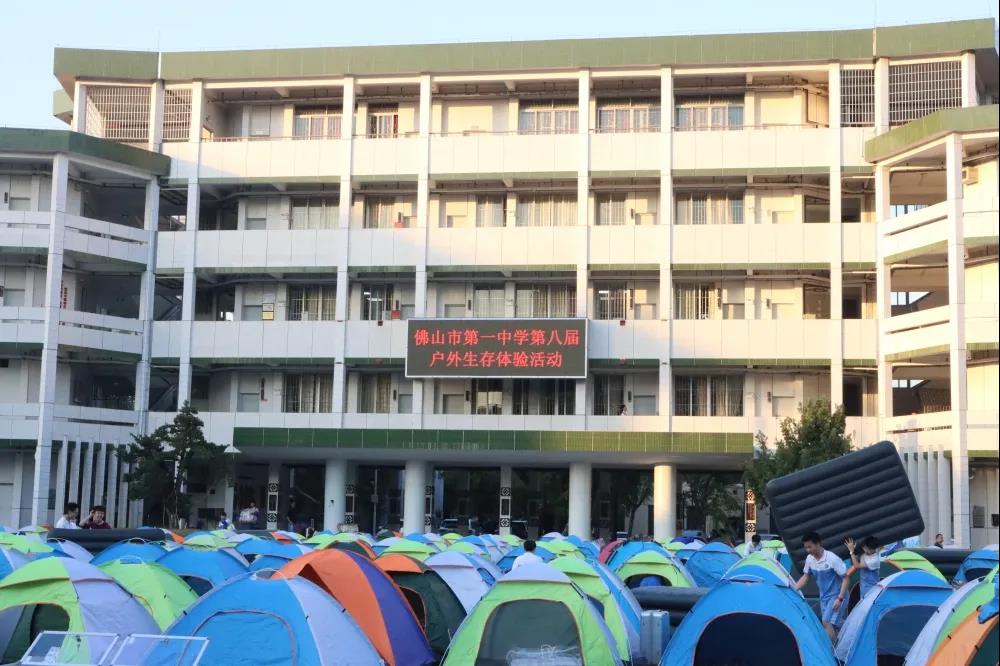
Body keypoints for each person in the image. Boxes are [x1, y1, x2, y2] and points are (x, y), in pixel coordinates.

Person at [795, 531, 847, 642]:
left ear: (818, 543)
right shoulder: (809, 559)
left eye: (810, 546)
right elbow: (805, 577)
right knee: (832, 625)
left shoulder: (832, 559)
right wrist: (793, 589)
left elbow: (846, 578)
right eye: (806, 548)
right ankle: (844, 639)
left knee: (826, 621)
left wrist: (840, 599)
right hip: (824, 597)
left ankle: (832, 652)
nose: (808, 550)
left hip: (837, 595)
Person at [838, 536, 881, 605]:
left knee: (869, 606)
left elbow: (857, 566)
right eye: (864, 548)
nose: (865, 550)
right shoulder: (867, 553)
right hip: (864, 588)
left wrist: (851, 551)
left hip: (871, 590)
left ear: (873, 549)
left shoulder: (874, 560)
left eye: (867, 548)